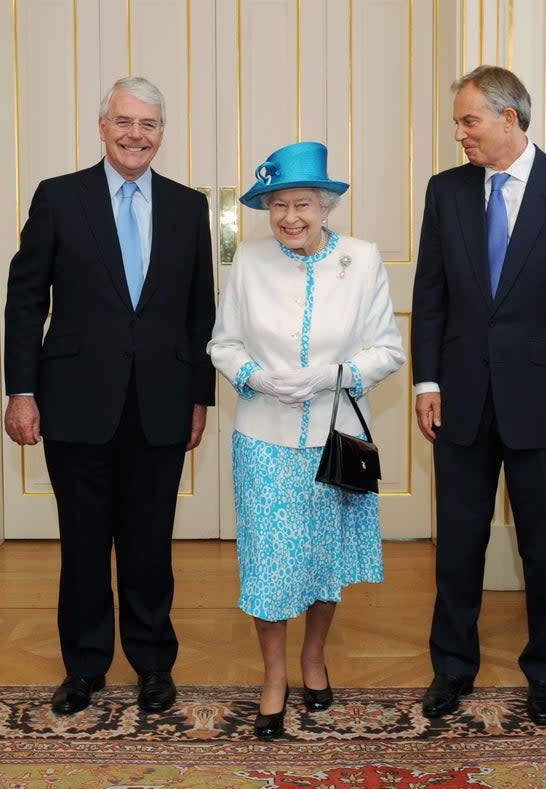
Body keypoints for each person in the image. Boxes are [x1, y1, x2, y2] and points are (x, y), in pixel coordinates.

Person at [410, 66, 546, 725]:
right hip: (462, 400)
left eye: (469, 120)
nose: (459, 133)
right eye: (458, 121)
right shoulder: (446, 192)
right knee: (459, 544)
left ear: (509, 118)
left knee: (544, 546)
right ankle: (452, 667)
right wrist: (426, 379)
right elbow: (431, 295)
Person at [3, 76, 215, 718]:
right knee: (85, 543)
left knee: (151, 544)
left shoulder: (187, 206)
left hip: (161, 400)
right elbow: (24, 300)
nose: (135, 135)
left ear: (161, 133)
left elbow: (199, 309)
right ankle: (84, 668)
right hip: (73, 401)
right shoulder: (59, 198)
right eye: (125, 121)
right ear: (102, 126)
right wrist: (22, 388)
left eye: (149, 125)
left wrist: (199, 395)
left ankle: (153, 665)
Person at [208, 141, 405, 739]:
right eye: (278, 206)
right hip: (263, 436)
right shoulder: (249, 258)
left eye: (302, 204)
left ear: (326, 207)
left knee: (325, 562)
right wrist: (255, 376)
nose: (290, 217)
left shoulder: (364, 260)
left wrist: (332, 376)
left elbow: (388, 349)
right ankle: (273, 676)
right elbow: (223, 343)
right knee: (270, 566)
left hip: (336, 436)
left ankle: (314, 658)